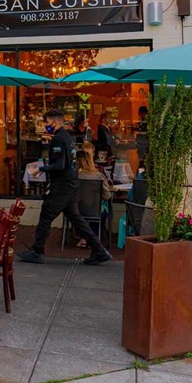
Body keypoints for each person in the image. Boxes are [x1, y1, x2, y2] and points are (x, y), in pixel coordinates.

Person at [19, 109, 111, 266]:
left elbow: (60, 165)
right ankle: (99, 250)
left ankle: (37, 251)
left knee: (46, 215)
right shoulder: (67, 138)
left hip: (62, 185)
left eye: (47, 123)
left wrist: (40, 169)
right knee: (76, 219)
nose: (46, 126)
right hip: (70, 184)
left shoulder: (58, 140)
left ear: (55, 122)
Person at [76, 143, 112, 248]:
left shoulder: (73, 176)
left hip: (76, 209)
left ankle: (84, 238)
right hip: (94, 209)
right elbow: (107, 196)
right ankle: (94, 239)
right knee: (101, 210)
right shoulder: (98, 176)